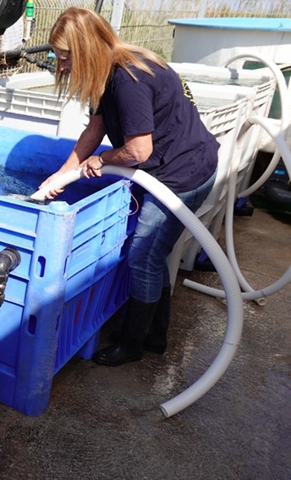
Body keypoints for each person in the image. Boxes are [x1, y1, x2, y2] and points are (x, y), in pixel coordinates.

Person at [40, 7, 219, 366]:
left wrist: (102, 161)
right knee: (153, 255)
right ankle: (154, 336)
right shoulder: (108, 71)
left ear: (87, 50)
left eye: (64, 57)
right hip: (170, 167)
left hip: (183, 174)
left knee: (143, 256)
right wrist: (60, 176)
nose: (60, 66)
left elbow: (139, 150)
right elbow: (95, 128)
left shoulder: (128, 79)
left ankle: (133, 344)